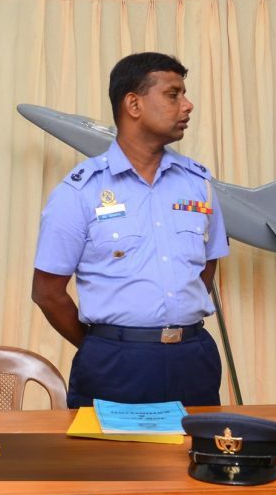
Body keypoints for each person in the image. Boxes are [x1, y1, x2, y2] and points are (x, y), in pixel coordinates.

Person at [31, 52, 228, 407]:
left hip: (193, 358)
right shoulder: (80, 191)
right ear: (134, 104)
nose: (187, 105)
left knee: (197, 444)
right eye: (173, 94)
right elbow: (47, 292)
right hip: (115, 364)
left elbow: (207, 265)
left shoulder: (198, 183)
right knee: (109, 448)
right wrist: (102, 344)